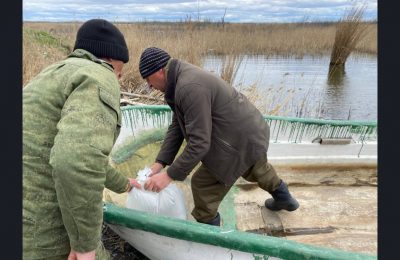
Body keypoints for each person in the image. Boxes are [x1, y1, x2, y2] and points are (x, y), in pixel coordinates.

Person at [139, 47, 299, 226]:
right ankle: (285, 199)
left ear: (159, 70)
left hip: (240, 135)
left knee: (202, 184)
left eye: (148, 80)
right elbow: (177, 125)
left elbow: (199, 143)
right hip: (250, 130)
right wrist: (160, 162)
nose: (149, 86)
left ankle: (211, 233)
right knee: (257, 166)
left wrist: (168, 175)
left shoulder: (187, 87)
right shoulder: (181, 79)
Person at [23, 19, 141, 260]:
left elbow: (70, 152)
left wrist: (124, 184)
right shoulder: (100, 75)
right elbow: (76, 161)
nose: (120, 77)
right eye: (121, 69)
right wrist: (85, 243)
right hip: (42, 233)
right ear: (113, 59)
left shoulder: (50, 74)